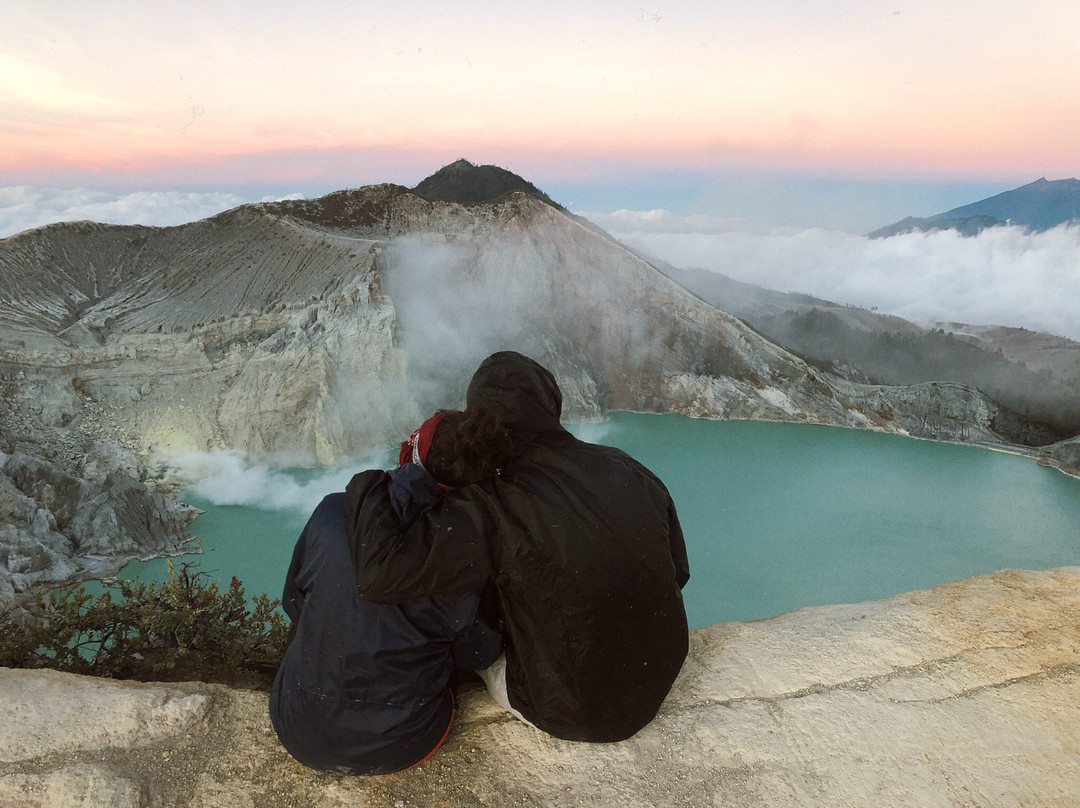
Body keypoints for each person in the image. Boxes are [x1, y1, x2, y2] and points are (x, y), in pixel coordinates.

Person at [345, 351, 689, 742]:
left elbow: (380, 574)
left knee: (462, 622)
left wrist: (367, 485)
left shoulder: (492, 501)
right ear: (551, 407)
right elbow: (678, 571)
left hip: (573, 709)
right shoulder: (629, 468)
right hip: (656, 679)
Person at [269, 411, 503, 775]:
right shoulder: (468, 553)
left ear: (413, 453)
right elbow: (477, 652)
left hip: (298, 725)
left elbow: (294, 602)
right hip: (402, 743)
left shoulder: (334, 509)